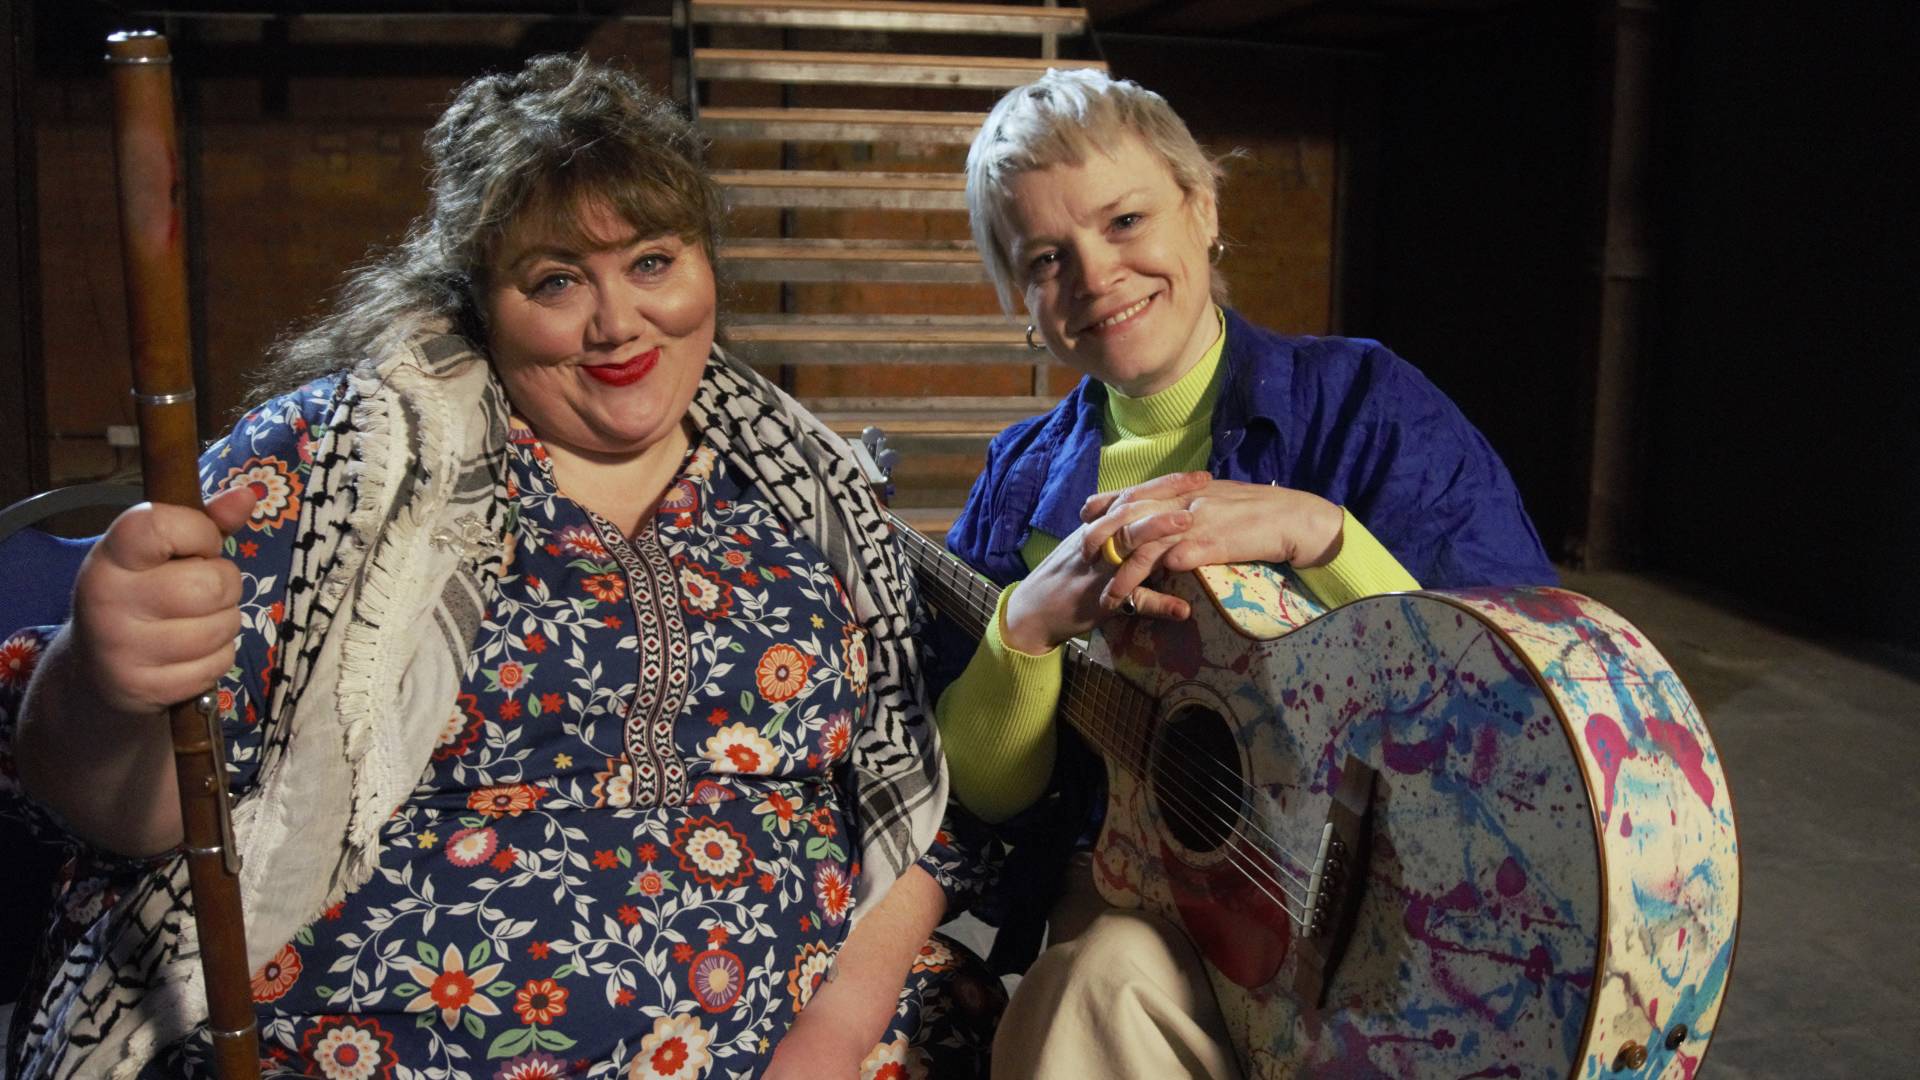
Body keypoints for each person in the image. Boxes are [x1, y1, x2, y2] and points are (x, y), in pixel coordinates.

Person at [0, 54, 1001, 1079]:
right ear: (480, 297)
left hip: (805, 1037)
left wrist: (834, 1035)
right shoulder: (333, 469)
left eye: (653, 261)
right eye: (557, 279)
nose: (618, 323)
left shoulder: (804, 491)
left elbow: (918, 810)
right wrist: (108, 684)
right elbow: (136, 812)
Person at [935, 68, 1558, 1077]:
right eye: (1047, 258)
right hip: (1144, 908)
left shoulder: (1367, 406)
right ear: (1018, 296)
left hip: (1391, 905)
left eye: (1125, 220)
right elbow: (983, 796)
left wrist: (1329, 537)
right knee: (1088, 988)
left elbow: (1524, 699)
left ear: (1204, 208)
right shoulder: (1017, 486)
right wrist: (1022, 633)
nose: (1096, 275)